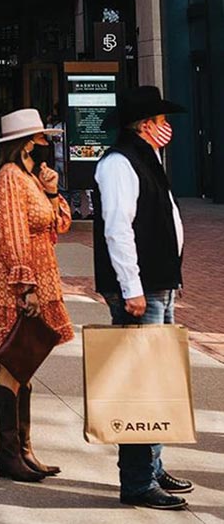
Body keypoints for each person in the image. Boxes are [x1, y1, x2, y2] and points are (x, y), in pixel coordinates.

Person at [93, 86, 192, 511]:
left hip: (159, 285)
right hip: (143, 289)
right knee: (140, 386)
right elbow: (118, 227)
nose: (168, 127)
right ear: (146, 124)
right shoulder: (119, 163)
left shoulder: (146, 158)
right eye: (161, 121)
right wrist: (131, 287)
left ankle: (152, 465)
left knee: (158, 381)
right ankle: (136, 480)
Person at [0, 108, 72, 482]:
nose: (47, 144)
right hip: (19, 280)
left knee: (26, 363)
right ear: (28, 142)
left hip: (41, 273)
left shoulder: (31, 177)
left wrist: (52, 190)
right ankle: (8, 452)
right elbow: (13, 234)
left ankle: (24, 450)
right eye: (42, 138)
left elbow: (59, 222)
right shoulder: (10, 178)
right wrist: (25, 286)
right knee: (14, 362)